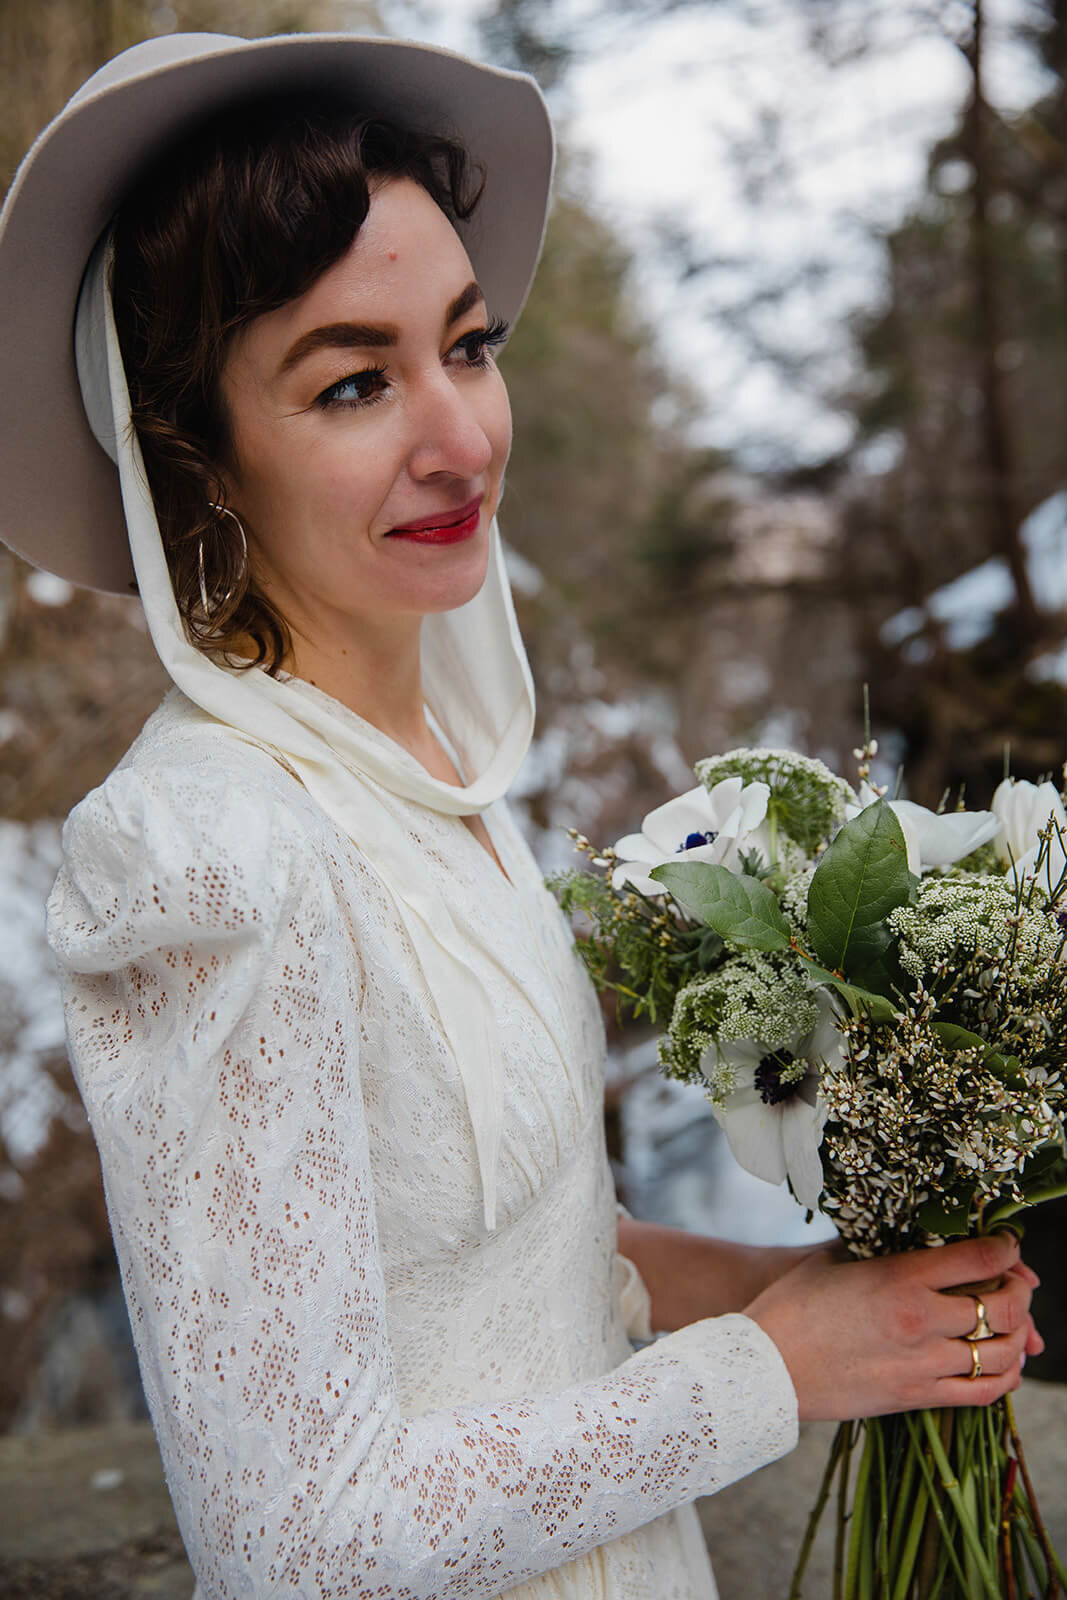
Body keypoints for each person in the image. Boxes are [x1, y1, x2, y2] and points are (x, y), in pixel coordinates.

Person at [0, 31, 1042, 1600]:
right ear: (193, 455)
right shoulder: (204, 854)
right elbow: (295, 1545)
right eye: (354, 380)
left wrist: (812, 1294)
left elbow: (499, 1260)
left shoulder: (440, 776)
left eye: (466, 346)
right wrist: (770, 1371)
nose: (460, 437)